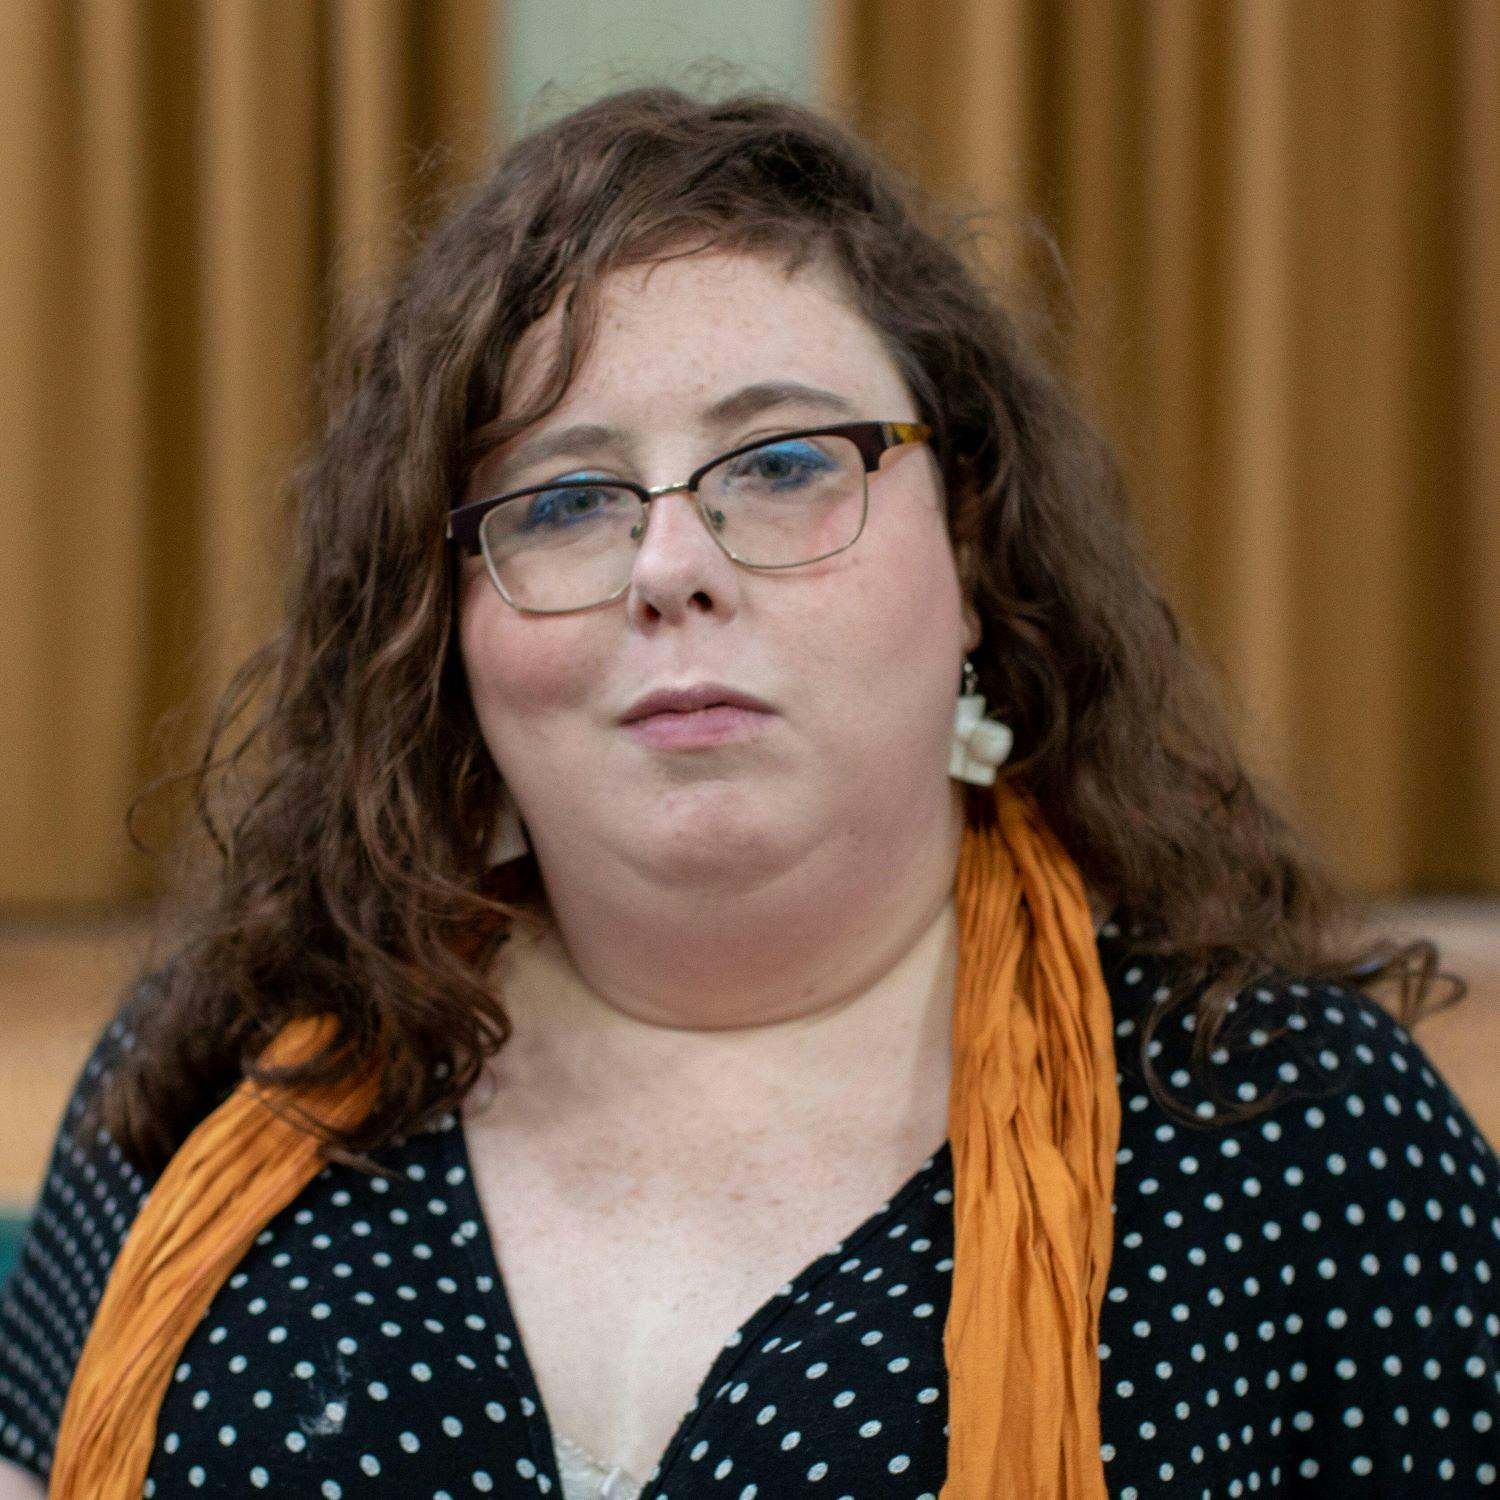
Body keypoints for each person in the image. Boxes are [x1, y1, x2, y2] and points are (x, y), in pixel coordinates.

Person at [1, 87, 1496, 1500]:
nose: (672, 567)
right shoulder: (229, 1053)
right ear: (438, 627)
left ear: (974, 547)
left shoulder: (1303, 1134)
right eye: (565, 501)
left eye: (781, 465)